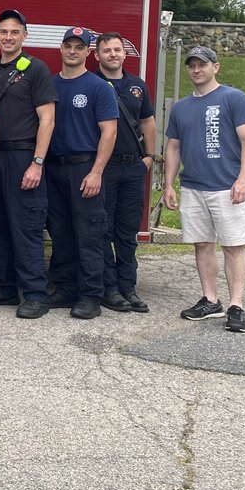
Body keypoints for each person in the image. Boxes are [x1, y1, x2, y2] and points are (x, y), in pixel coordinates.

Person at [163, 46, 245, 333]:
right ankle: (210, 299)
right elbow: (173, 146)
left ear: (215, 67)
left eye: (202, 64)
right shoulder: (180, 107)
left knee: (233, 246)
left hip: (226, 187)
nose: (196, 70)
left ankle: (236, 306)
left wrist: (244, 179)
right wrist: (168, 184)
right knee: (202, 244)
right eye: (191, 65)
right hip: (193, 187)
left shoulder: (234, 98)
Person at [0, 9, 57, 319]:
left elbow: (47, 119)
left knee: (26, 227)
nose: (8, 37)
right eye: (3, 32)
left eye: (14, 32)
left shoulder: (36, 69)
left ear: (25, 36)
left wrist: (37, 163)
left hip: (23, 157)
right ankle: (4, 288)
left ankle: (35, 294)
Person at [44, 27, 118, 320]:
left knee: (89, 234)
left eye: (79, 46)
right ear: (60, 49)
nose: (72, 51)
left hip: (84, 169)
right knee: (60, 233)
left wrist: (96, 172)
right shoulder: (50, 85)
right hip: (53, 169)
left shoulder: (98, 87)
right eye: (68, 45)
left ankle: (90, 296)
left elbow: (109, 132)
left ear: (89, 52)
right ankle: (64, 289)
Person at [95, 32, 157, 313]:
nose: (112, 54)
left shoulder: (137, 86)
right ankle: (109, 289)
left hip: (133, 166)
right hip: (104, 168)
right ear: (97, 56)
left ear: (124, 54)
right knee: (103, 229)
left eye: (117, 49)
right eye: (106, 50)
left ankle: (128, 287)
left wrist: (149, 156)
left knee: (127, 230)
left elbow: (148, 122)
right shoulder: (92, 83)